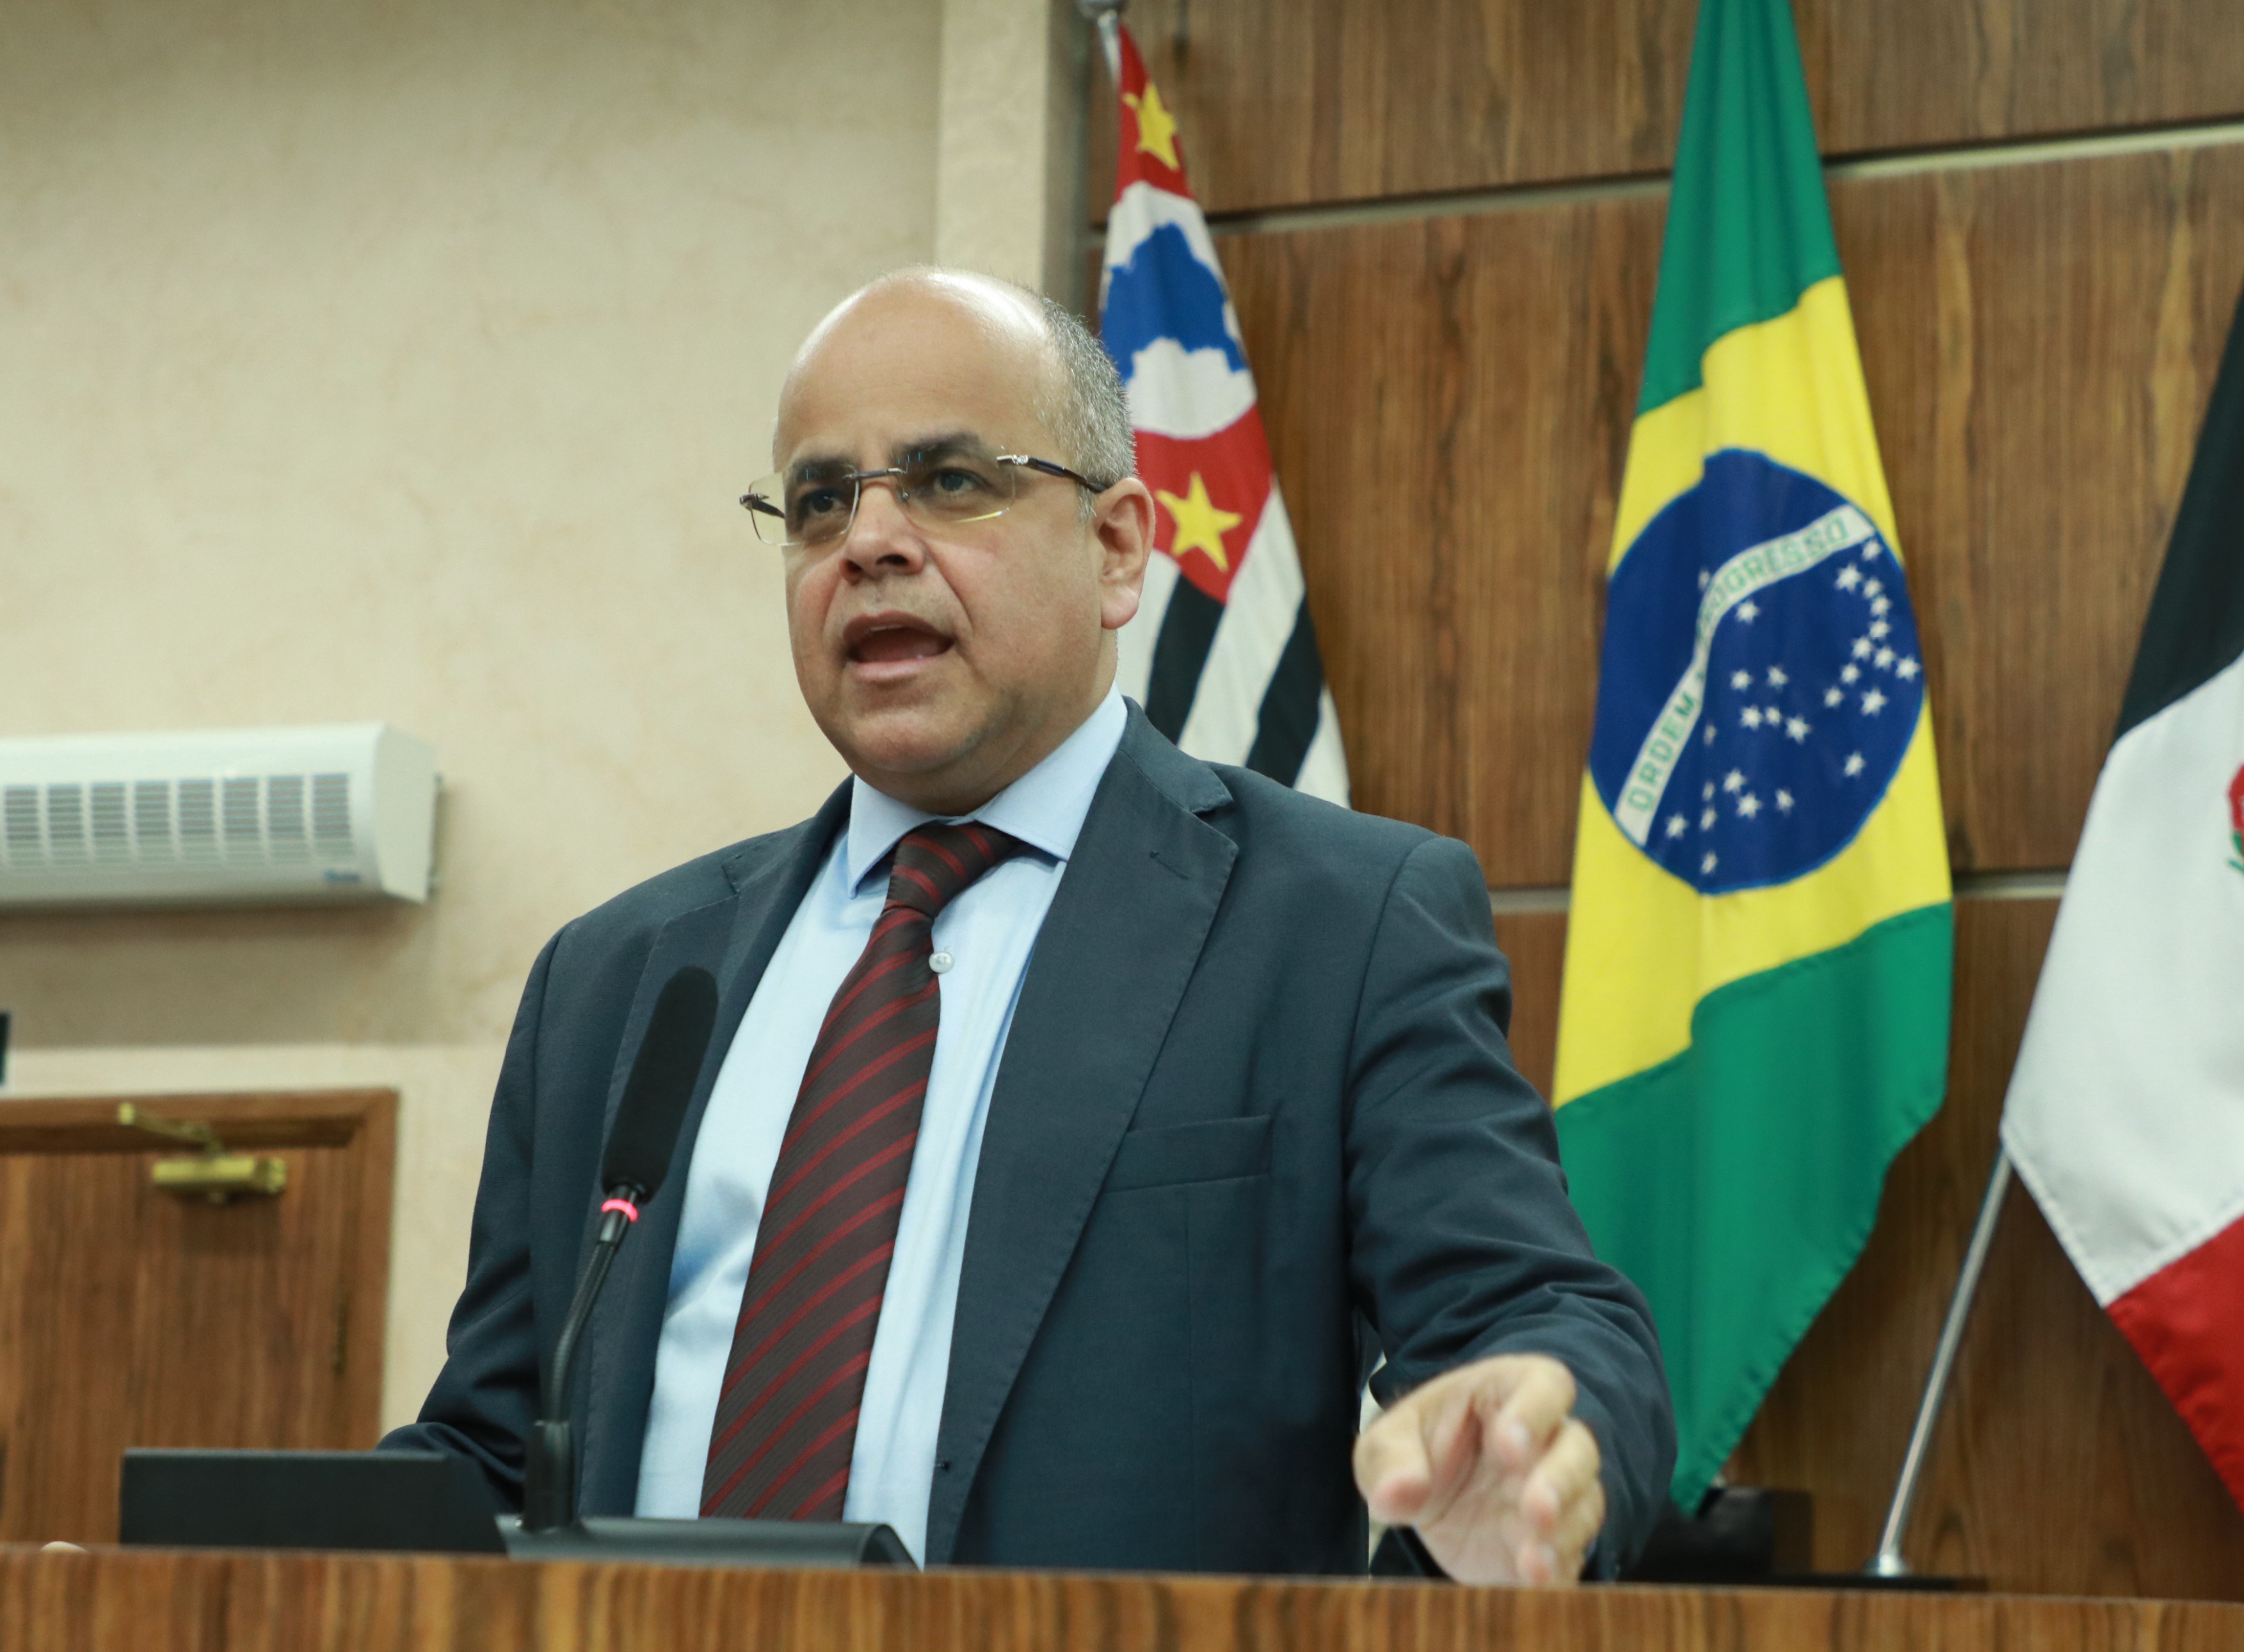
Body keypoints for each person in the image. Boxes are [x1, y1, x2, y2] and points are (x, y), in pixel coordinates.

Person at [386, 268, 1674, 1582]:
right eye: (820, 500)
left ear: (1116, 548)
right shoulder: (621, 978)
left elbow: (1537, 1317)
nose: (867, 542)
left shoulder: (1338, 925)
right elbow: (495, 1453)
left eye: (950, 481)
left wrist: (1532, 1450)